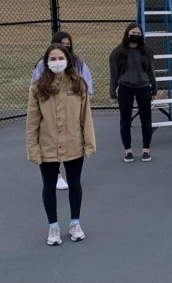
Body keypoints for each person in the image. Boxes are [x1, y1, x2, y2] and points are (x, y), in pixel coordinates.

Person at [26, 44, 96, 246]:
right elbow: (32, 121)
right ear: (46, 63)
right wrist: (33, 148)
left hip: (74, 144)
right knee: (49, 186)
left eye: (60, 58)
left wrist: (89, 143)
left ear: (68, 60)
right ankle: (53, 227)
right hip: (47, 146)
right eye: (53, 59)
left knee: (75, 183)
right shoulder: (37, 88)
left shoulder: (78, 84)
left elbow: (86, 117)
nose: (57, 62)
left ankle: (75, 223)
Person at [31, 30, 94, 190]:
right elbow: (35, 85)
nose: (66, 47)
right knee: (51, 140)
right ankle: (56, 174)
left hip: (71, 106)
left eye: (68, 45)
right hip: (51, 110)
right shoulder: (42, 65)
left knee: (70, 142)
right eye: (62, 44)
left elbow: (87, 82)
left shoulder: (78, 63)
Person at [109, 22, 156, 163]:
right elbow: (114, 73)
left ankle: (146, 150)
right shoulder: (117, 52)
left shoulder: (147, 51)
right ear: (127, 34)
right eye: (133, 33)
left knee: (146, 120)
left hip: (143, 87)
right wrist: (112, 91)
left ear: (141, 35)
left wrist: (154, 88)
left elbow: (151, 71)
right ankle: (128, 151)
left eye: (138, 33)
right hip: (125, 88)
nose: (135, 35)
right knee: (125, 120)